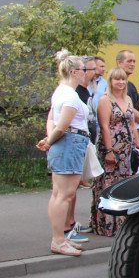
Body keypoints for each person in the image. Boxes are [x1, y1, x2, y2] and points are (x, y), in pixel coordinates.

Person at [36, 52, 92, 256]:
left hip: (67, 142)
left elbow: (52, 120)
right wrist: (50, 140)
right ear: (74, 72)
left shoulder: (60, 92)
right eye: (83, 70)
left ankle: (59, 238)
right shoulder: (69, 95)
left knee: (59, 194)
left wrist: (49, 139)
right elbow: (62, 125)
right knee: (64, 195)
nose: (86, 74)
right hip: (70, 143)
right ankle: (58, 239)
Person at [91, 67, 136, 237]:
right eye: (117, 79)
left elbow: (132, 123)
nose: (121, 82)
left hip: (126, 149)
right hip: (110, 148)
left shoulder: (129, 99)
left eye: (123, 79)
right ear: (110, 81)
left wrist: (136, 143)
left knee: (123, 183)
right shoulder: (105, 100)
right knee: (107, 183)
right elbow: (104, 126)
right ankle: (106, 224)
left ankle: (121, 223)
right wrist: (109, 151)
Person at [116, 49, 139, 134]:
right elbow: (129, 109)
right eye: (129, 61)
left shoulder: (131, 86)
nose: (132, 64)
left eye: (134, 61)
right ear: (119, 63)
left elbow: (138, 109)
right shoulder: (115, 86)